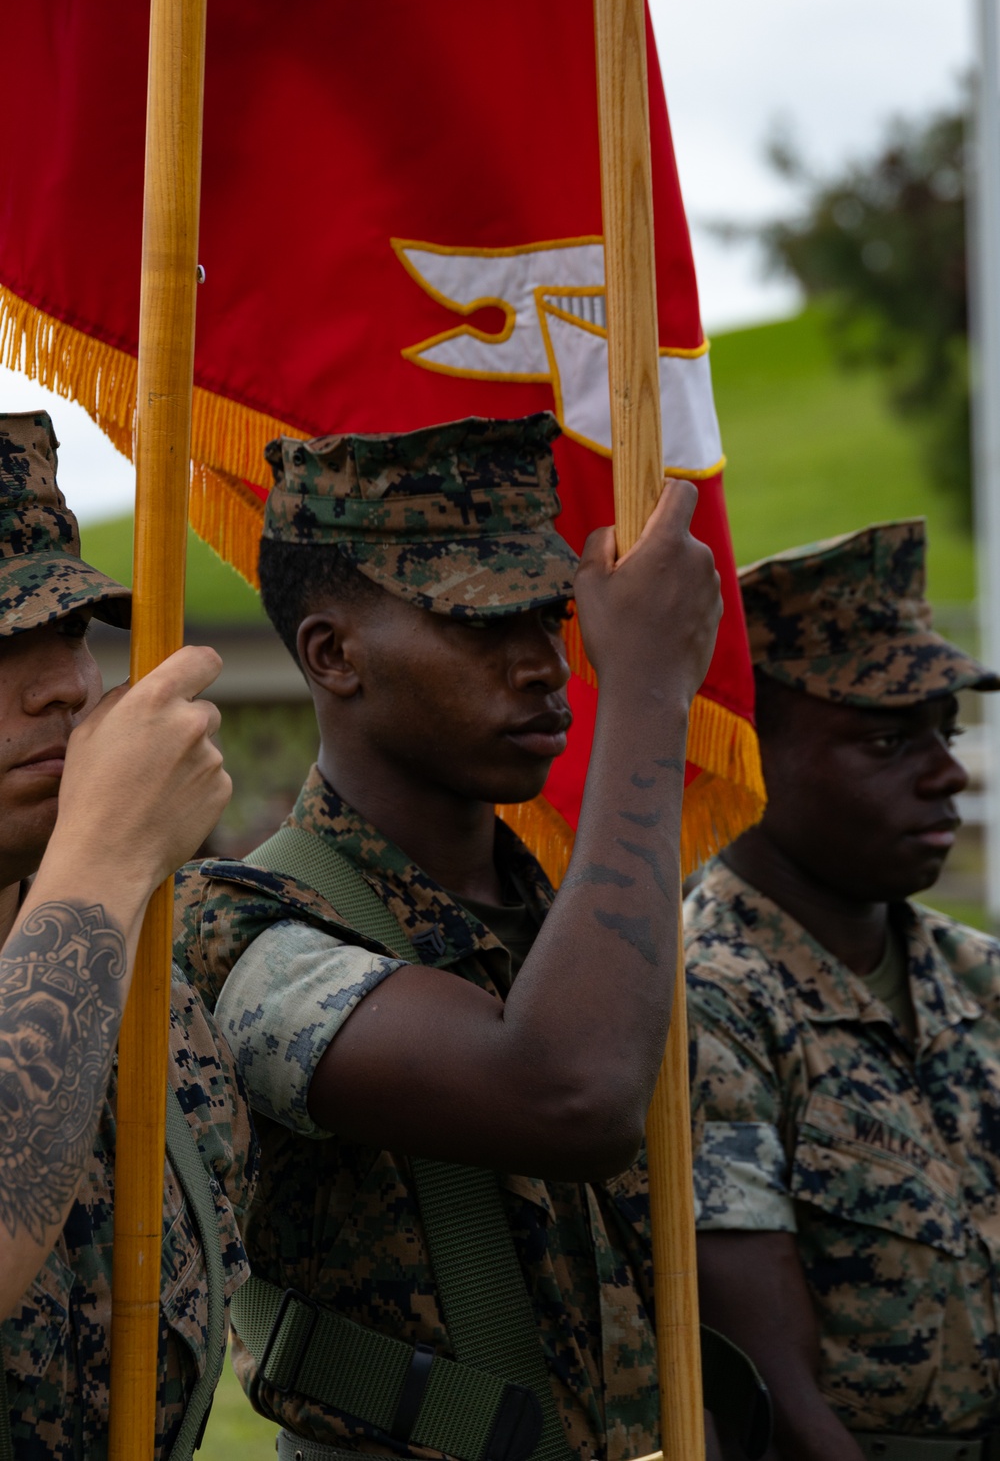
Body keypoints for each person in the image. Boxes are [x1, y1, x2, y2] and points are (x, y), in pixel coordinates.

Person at [174, 411, 728, 1461]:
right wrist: (650, 693)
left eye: (550, 616)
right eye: (480, 624)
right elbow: (566, 1093)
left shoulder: (567, 924)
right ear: (332, 656)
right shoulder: (238, 925)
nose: (541, 663)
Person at [685, 519, 1000, 1461]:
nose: (947, 774)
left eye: (944, 733)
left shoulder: (977, 977)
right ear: (750, 752)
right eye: (887, 741)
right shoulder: (706, 1001)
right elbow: (775, 1397)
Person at [0, 411, 256, 1458]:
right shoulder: (104, 910)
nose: (64, 683)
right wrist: (105, 857)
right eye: (3, 645)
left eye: (70, 629)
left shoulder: (149, 986)